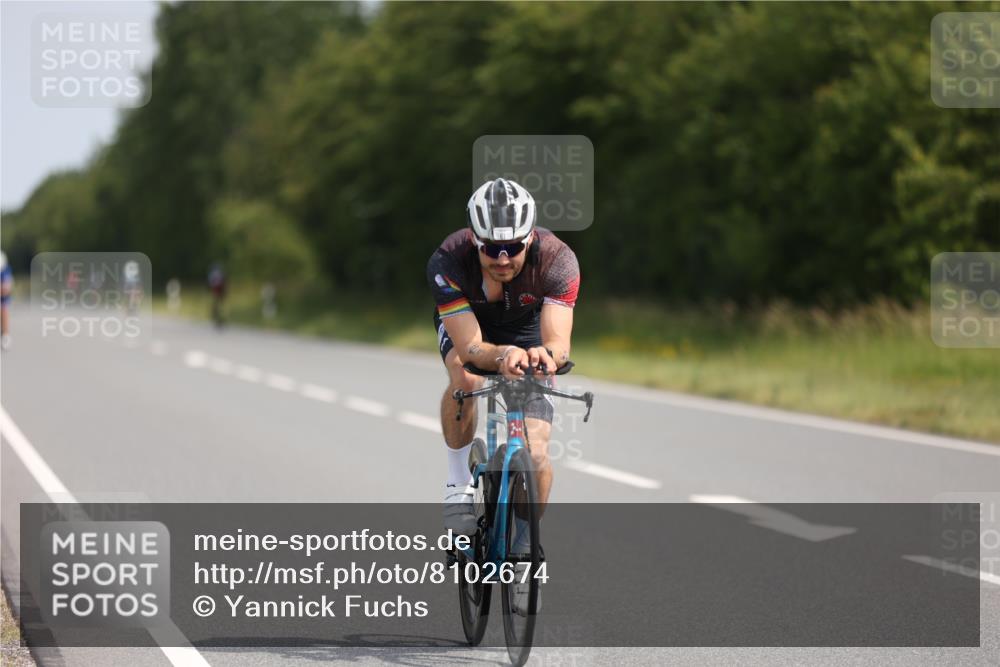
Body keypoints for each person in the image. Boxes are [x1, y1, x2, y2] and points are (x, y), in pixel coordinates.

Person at [426, 178, 580, 611]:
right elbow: (472, 349)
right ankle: (458, 483)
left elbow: (557, 342)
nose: (503, 257)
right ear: (474, 240)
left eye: (513, 246)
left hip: (528, 330)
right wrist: (502, 354)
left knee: (537, 453)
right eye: (491, 248)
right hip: (471, 327)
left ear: (531, 237)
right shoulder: (449, 261)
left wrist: (544, 357)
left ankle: (524, 543)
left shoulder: (557, 260)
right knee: (466, 377)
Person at [208, 263, 227, 328]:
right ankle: (220, 318)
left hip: (216, 290)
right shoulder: (221, 273)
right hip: (221, 291)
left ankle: (216, 316)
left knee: (216, 304)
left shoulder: (212, 274)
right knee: (220, 305)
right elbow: (224, 282)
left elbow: (210, 283)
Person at [1, 251, 12, 350]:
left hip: (2, 297)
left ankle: (5, 335)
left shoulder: (4, 268)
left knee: (4, 308)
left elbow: (6, 289)